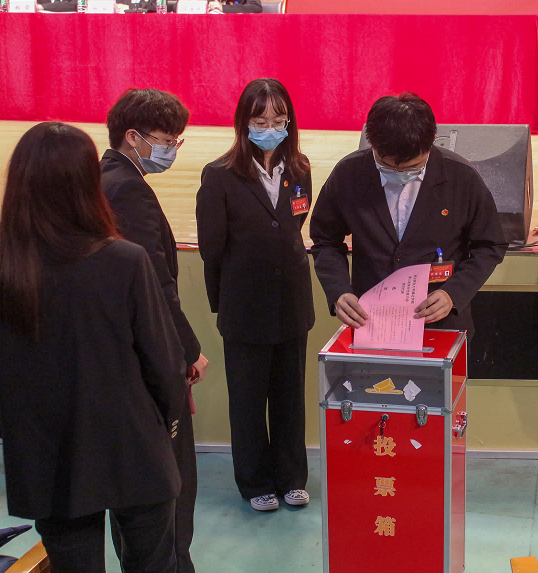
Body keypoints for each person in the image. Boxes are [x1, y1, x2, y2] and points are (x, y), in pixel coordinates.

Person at [0, 122, 185, 573]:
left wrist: (28, 416)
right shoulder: (124, 261)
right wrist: (165, 421)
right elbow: (164, 365)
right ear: (87, 183)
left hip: (45, 455)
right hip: (134, 446)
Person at [102, 88, 208, 573]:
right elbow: (157, 283)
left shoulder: (104, 178)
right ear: (132, 136)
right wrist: (188, 349)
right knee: (170, 484)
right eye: (166, 140)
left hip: (119, 360)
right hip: (151, 360)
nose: (171, 150)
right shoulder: (128, 190)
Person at [196, 78, 313, 512]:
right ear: (243, 123)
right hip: (245, 307)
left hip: (291, 303)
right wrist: (225, 302)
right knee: (247, 402)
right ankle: (255, 482)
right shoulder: (219, 175)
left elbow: (295, 225)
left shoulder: (299, 169)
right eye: (260, 121)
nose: (270, 128)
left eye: (278, 120)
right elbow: (211, 248)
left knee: (289, 399)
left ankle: (291, 477)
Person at [310, 92, 507, 337]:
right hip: (370, 323)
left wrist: (453, 294)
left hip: (440, 323)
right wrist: (339, 291)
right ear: (371, 143)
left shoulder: (461, 177)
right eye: (387, 165)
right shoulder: (348, 174)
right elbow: (325, 241)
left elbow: (490, 245)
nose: (399, 173)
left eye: (412, 167)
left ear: (432, 142)